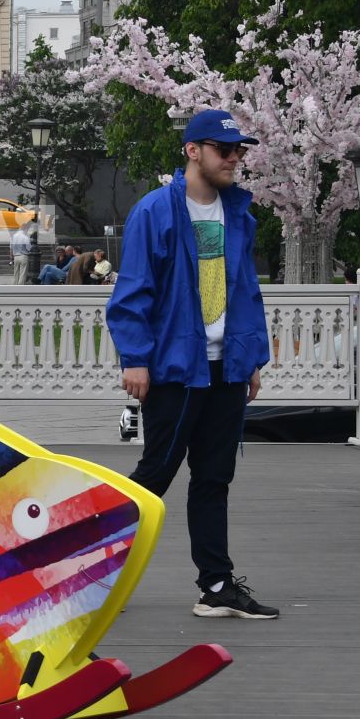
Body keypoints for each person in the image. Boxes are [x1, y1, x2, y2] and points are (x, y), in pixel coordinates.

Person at [106, 108, 277, 620]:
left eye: (239, 151)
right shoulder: (156, 210)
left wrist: (250, 360)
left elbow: (245, 291)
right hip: (176, 367)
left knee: (213, 479)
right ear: (193, 151)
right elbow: (133, 289)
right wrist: (135, 359)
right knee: (156, 473)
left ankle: (216, 585)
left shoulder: (238, 213)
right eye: (225, 150)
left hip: (225, 367)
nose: (234, 159)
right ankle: (82, 565)